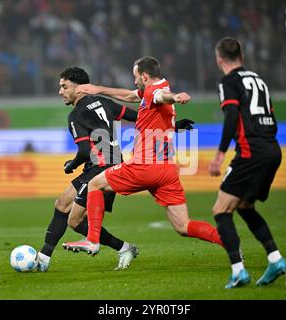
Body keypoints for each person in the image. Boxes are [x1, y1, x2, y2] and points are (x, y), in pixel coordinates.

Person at [36, 66, 195, 272]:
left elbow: (84, 151)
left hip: (99, 168)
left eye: (64, 87)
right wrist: (174, 125)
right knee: (62, 204)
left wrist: (70, 165)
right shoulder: (104, 103)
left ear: (80, 88)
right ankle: (44, 256)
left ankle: (123, 247)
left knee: (74, 221)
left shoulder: (76, 115)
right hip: (108, 162)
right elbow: (140, 118)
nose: (61, 92)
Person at [63, 56, 223, 256]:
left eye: (135, 76)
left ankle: (93, 240)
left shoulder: (154, 91)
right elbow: (131, 96)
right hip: (166, 170)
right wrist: (98, 89)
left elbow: (161, 96)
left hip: (144, 166)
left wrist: (176, 96)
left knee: (95, 184)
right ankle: (228, 242)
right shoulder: (157, 86)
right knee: (183, 225)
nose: (134, 80)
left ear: (145, 76)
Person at [208, 37, 286, 288]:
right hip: (272, 150)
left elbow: (231, 115)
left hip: (250, 152)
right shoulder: (259, 80)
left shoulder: (228, 81)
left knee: (221, 211)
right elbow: (271, 116)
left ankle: (238, 271)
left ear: (219, 60)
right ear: (241, 57)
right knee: (244, 206)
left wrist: (220, 153)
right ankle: (275, 259)